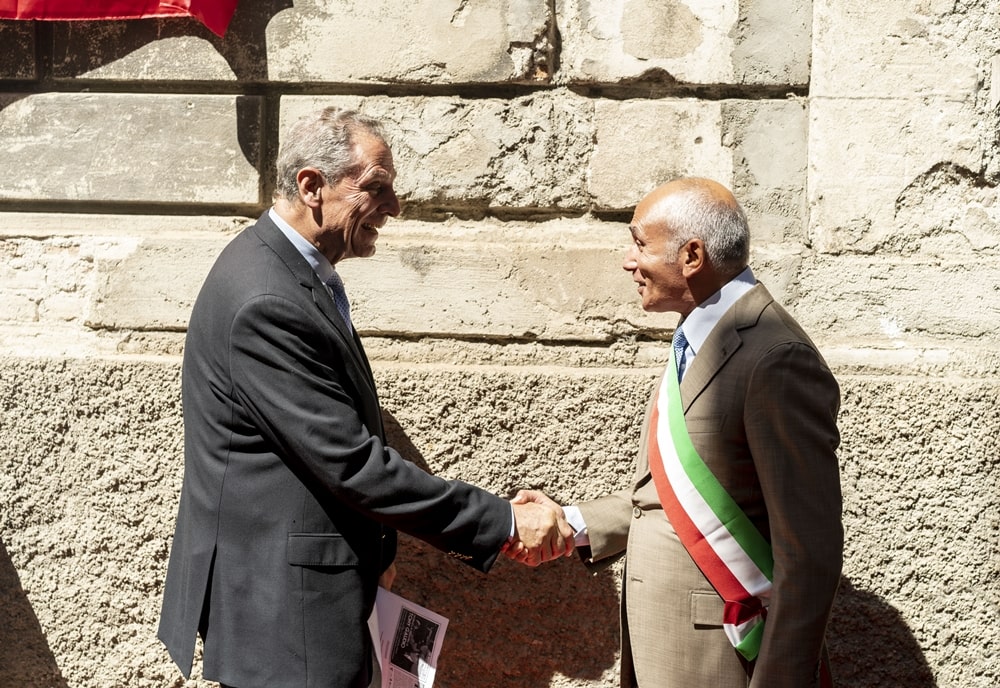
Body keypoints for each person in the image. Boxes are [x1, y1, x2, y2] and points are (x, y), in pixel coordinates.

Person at [157, 107, 574, 688]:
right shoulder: (266, 300)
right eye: (376, 188)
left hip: (301, 601)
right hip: (285, 618)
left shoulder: (288, 270)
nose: (395, 207)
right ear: (312, 187)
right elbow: (351, 463)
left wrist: (378, 549)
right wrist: (502, 520)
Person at [516, 178, 843, 687]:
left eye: (640, 244)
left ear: (692, 256)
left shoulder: (775, 358)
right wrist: (574, 522)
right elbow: (672, 498)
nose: (628, 261)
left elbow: (809, 554)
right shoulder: (700, 332)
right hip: (662, 648)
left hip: (718, 659)